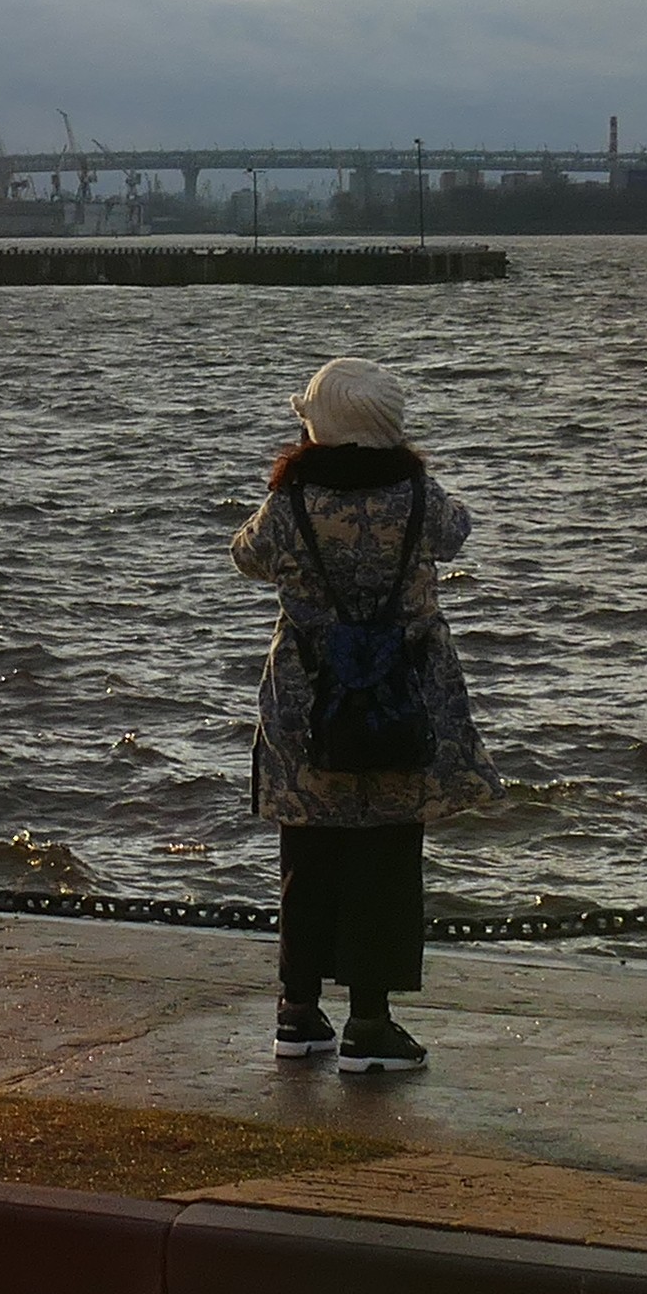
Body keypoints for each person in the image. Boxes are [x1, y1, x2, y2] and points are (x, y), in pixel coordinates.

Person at [232, 355, 489, 1075]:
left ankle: (297, 1013)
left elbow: (246, 557)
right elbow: (457, 533)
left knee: (307, 854)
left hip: (307, 701)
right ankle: (370, 1024)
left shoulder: (292, 502)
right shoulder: (418, 495)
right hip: (402, 694)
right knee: (386, 856)